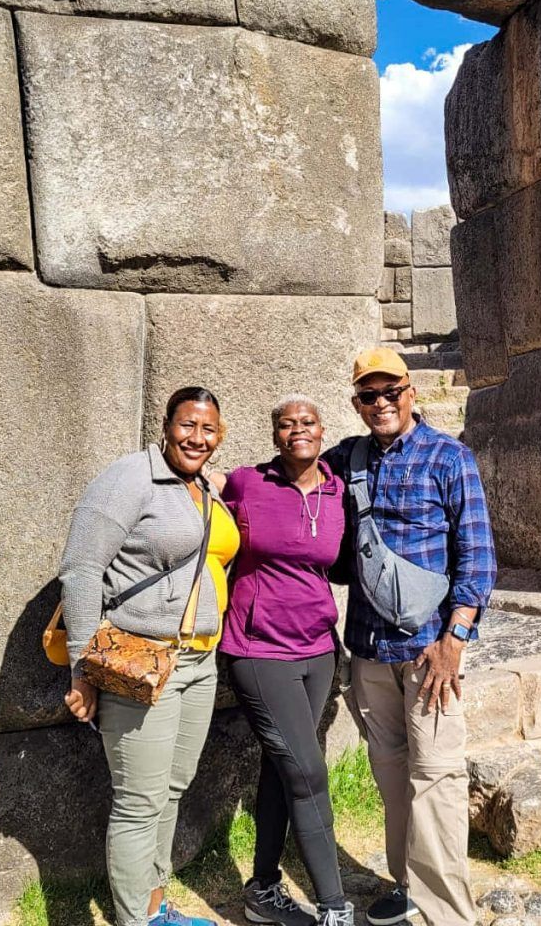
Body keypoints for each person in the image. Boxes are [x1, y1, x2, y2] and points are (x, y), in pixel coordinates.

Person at [325, 348, 498, 926]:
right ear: (356, 403)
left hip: (431, 651)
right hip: (371, 649)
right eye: (368, 396)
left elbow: (477, 557)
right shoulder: (345, 461)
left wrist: (455, 639)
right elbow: (288, 476)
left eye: (390, 392)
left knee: (439, 777)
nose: (381, 404)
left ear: (411, 392)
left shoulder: (450, 458)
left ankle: (447, 914)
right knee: (393, 779)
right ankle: (407, 889)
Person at [59, 386, 240, 926]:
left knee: (173, 790)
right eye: (188, 425)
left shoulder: (201, 486)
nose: (197, 438)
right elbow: (82, 570)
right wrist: (83, 670)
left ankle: (157, 909)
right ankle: (133, 920)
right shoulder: (130, 479)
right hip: (140, 661)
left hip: (198, 663)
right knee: (139, 803)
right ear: (165, 425)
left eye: (209, 430)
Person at [219, 395, 354, 926]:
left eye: (308, 422)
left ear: (322, 431)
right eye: (286, 424)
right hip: (258, 650)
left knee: (283, 769)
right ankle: (335, 907)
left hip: (319, 649)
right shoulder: (246, 484)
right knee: (308, 772)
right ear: (274, 436)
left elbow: (339, 565)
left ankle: (263, 890)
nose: (298, 429)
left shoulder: (336, 490)